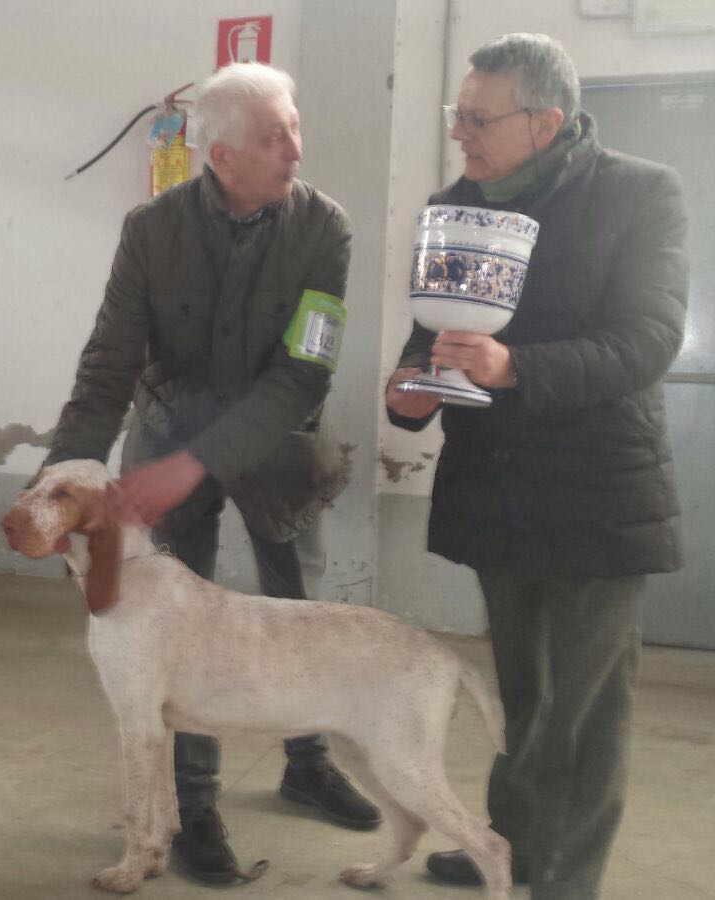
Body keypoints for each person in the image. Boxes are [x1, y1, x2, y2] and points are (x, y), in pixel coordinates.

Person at [42, 62, 380, 885]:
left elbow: (304, 372)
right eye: (274, 138)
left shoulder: (325, 228)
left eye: (294, 127)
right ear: (220, 156)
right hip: (166, 442)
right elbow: (108, 365)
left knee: (297, 611)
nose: (295, 150)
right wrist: (57, 486)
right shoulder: (150, 231)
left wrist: (201, 461)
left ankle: (307, 763)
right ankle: (191, 806)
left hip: (279, 443)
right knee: (170, 633)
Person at [386, 34, 687, 898]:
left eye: (479, 119)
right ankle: (509, 847)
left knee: (583, 714)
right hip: (500, 492)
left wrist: (516, 368)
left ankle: (564, 883)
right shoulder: (456, 205)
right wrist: (411, 389)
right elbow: (430, 335)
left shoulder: (638, 194)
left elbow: (648, 340)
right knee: (522, 694)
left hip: (601, 498)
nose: (460, 133)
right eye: (458, 114)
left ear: (545, 122)